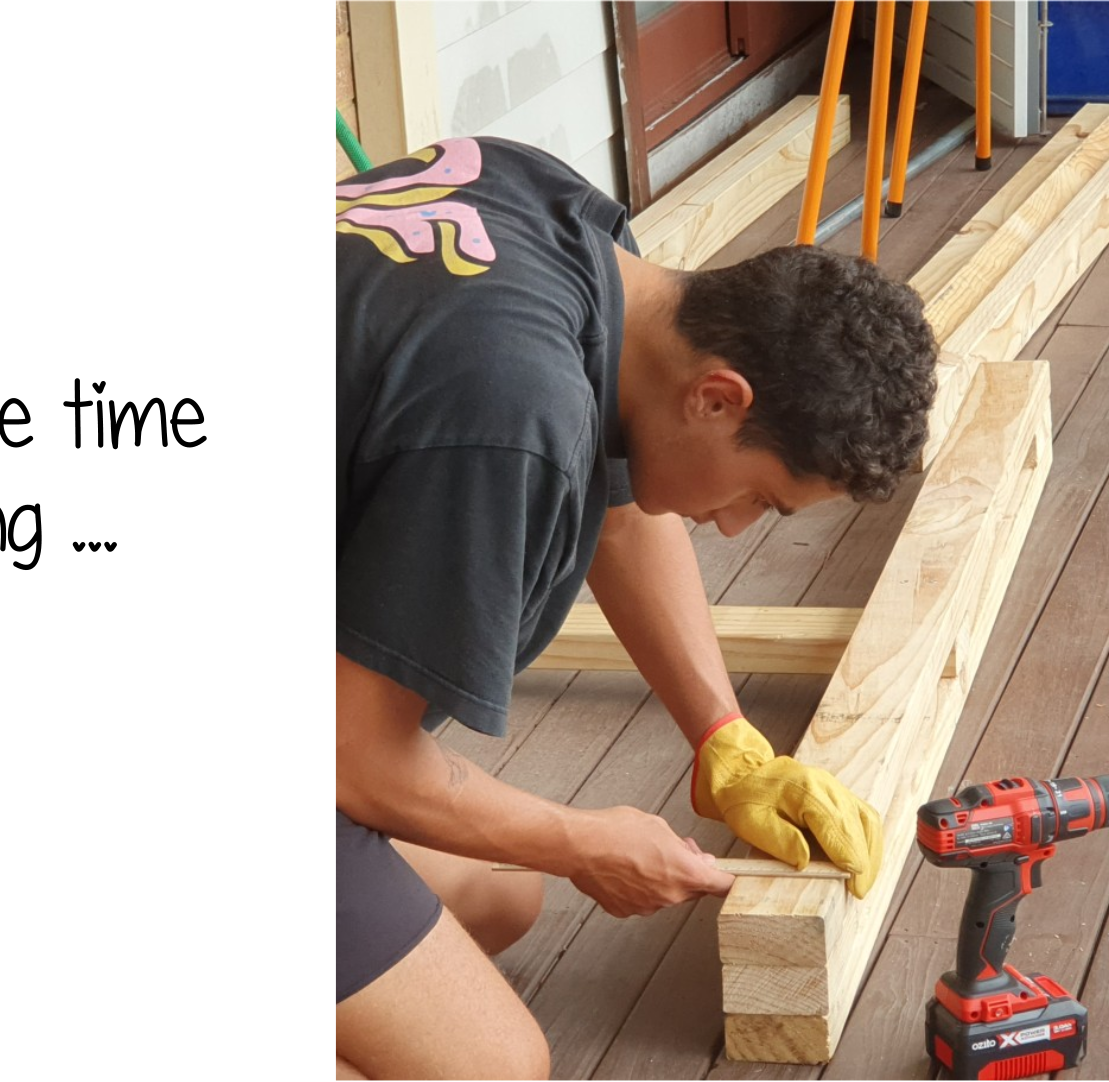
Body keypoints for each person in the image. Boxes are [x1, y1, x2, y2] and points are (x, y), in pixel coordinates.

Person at [334, 136, 937, 1079]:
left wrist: (725, 740)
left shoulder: (553, 220)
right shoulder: (507, 404)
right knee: (491, 1068)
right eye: (760, 497)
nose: (734, 528)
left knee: (501, 892)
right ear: (718, 396)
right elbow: (354, 756)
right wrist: (581, 842)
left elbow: (618, 499)